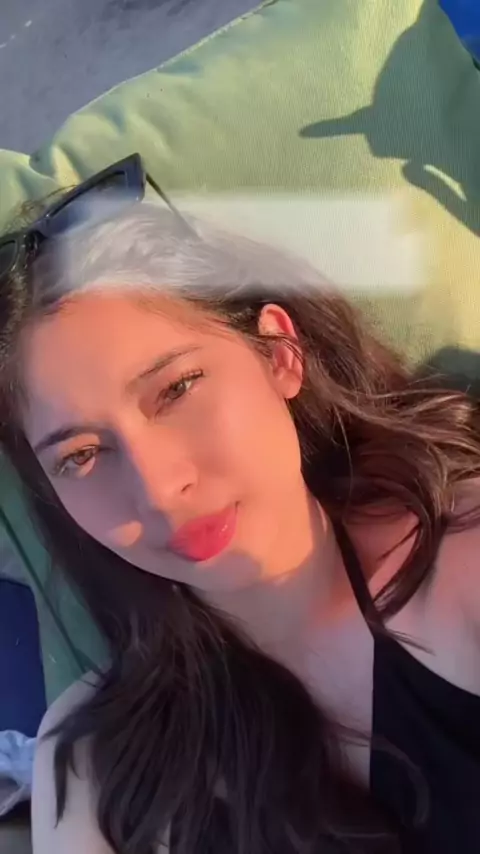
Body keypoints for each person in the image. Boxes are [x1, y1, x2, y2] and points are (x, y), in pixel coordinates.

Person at [0, 156, 480, 854]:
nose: (159, 490)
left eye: (176, 389)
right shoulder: (94, 763)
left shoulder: (461, 564)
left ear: (280, 353)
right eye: (81, 455)